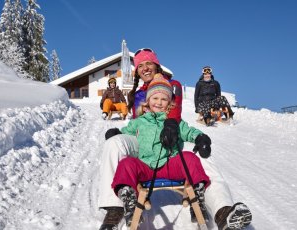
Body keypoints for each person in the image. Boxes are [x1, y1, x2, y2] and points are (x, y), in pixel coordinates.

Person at [98, 49, 252, 230]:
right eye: (140, 66)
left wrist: (197, 136)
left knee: (200, 157)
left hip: (172, 140)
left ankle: (222, 211)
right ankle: (115, 207)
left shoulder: (173, 85)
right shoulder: (138, 95)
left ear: (157, 65)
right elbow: (132, 127)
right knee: (114, 145)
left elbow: (180, 120)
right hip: (145, 149)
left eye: (149, 63)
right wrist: (118, 133)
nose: (145, 68)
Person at [109, 75, 211, 227]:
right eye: (155, 98)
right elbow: (126, 133)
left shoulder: (174, 121)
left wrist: (200, 138)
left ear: (169, 102)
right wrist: (116, 133)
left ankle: (197, 197)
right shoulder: (139, 122)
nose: (159, 102)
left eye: (164, 99)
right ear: (148, 100)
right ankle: (129, 201)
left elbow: (188, 131)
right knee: (127, 163)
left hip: (170, 164)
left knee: (189, 157)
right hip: (145, 166)